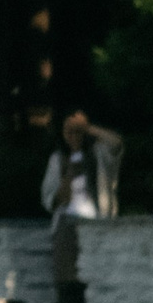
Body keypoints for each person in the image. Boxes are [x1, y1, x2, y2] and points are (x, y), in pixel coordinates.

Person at [41, 111, 124, 284]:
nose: (73, 136)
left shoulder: (99, 154)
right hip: (67, 225)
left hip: (97, 222)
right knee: (68, 280)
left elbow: (116, 143)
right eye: (68, 131)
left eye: (77, 131)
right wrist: (72, 160)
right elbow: (53, 199)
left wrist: (88, 127)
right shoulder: (58, 159)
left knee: (99, 277)